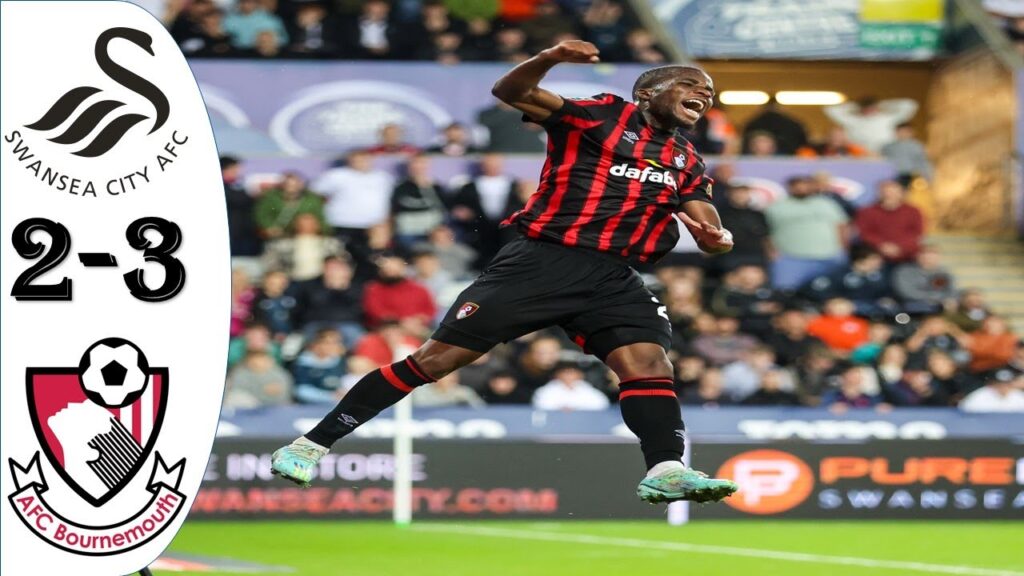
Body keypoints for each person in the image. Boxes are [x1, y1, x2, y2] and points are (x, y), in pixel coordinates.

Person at [272, 41, 738, 504]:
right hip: (542, 261)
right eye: (692, 83)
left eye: (710, 91)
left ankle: (665, 468)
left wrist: (718, 238)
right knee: (435, 362)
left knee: (649, 364)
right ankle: (310, 444)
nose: (704, 94)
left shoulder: (687, 159)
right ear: (647, 92)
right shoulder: (601, 116)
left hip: (613, 276)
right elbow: (510, 89)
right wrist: (550, 56)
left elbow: (705, 218)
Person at [765, 176, 849, 290]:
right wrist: (771, 251)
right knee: (784, 291)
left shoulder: (827, 204)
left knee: (833, 291)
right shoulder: (775, 207)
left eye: (805, 185)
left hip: (829, 256)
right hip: (791, 258)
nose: (801, 189)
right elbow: (765, 232)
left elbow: (842, 226)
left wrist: (843, 248)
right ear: (789, 188)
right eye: (797, 186)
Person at [854, 180, 924, 264]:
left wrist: (900, 246)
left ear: (901, 193)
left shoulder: (913, 211)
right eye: (886, 192)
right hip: (875, 259)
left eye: (893, 192)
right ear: (879, 194)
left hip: (908, 257)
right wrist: (882, 245)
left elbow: (917, 232)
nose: (889, 195)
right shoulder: (866, 211)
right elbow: (865, 232)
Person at [824, 97, 918, 153]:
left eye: (871, 108)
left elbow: (910, 105)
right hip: (859, 155)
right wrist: (856, 106)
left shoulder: (887, 118)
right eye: (866, 108)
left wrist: (882, 105)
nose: (869, 111)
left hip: (885, 153)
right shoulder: (854, 120)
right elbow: (830, 110)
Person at [391, 154, 448, 248]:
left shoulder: (435, 186)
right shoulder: (400, 187)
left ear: (427, 166)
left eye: (421, 164)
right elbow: (394, 209)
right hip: (408, 231)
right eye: (415, 164)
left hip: (432, 231)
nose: (418, 168)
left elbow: (443, 207)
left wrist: (427, 188)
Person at [254, 172, 327, 241]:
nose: (291, 188)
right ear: (283, 185)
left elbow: (320, 218)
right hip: (276, 235)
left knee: (306, 221)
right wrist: (269, 227)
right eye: (288, 185)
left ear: (301, 185)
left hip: (302, 236)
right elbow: (262, 216)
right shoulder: (270, 198)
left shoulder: (311, 200)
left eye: (294, 185)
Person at [892, 245, 957, 314]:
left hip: (940, 304)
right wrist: (934, 299)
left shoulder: (945, 272)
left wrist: (950, 300)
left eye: (932, 256)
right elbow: (906, 292)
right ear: (918, 256)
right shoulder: (904, 270)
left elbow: (952, 291)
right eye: (925, 255)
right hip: (912, 304)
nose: (928, 259)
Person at [741, 96, 808, 155]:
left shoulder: (754, 122)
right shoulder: (793, 123)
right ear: (780, 107)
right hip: (789, 156)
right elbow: (803, 142)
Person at [532, 361, 610, 411]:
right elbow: (540, 406)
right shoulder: (545, 391)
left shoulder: (588, 390)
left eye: (572, 372)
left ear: (580, 375)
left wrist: (576, 410)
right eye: (565, 372)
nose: (569, 376)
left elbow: (602, 404)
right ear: (557, 375)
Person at [959, 368, 1024, 412]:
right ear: (992, 384)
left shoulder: (1019, 396)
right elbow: (965, 414)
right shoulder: (979, 396)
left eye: (1007, 384)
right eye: (999, 384)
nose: (1003, 387)